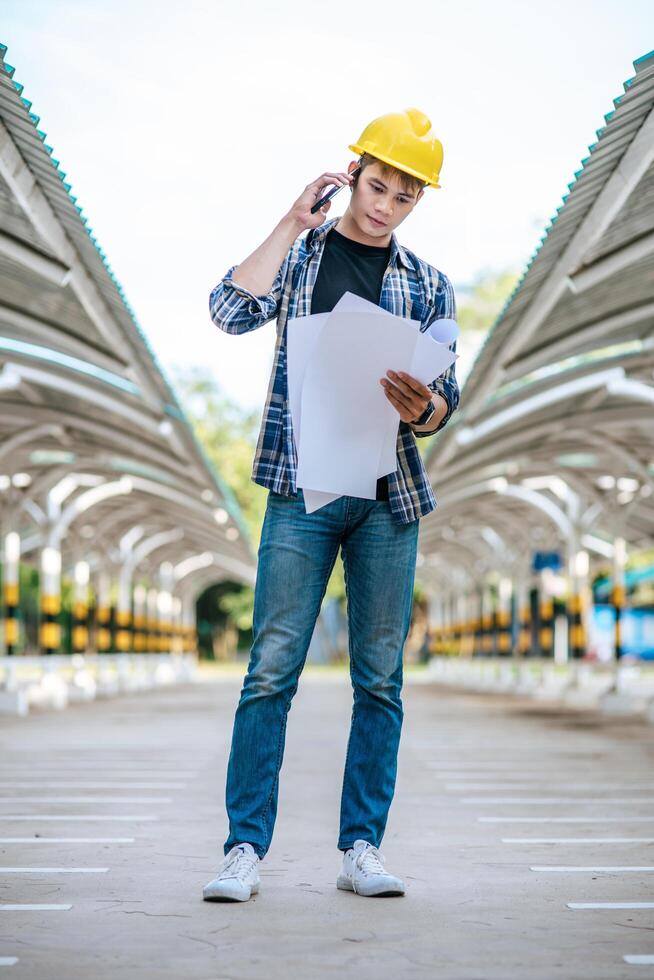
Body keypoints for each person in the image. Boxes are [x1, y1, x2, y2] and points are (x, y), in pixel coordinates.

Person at [203, 108, 459, 902]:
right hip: (301, 489)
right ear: (353, 173)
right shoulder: (304, 254)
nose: (384, 206)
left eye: (403, 197)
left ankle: (361, 848)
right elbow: (228, 311)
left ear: (417, 202)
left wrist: (424, 410)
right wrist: (287, 221)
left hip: (388, 499)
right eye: (376, 186)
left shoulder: (430, 283)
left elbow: (446, 398)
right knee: (270, 670)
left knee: (379, 679)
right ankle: (244, 848)